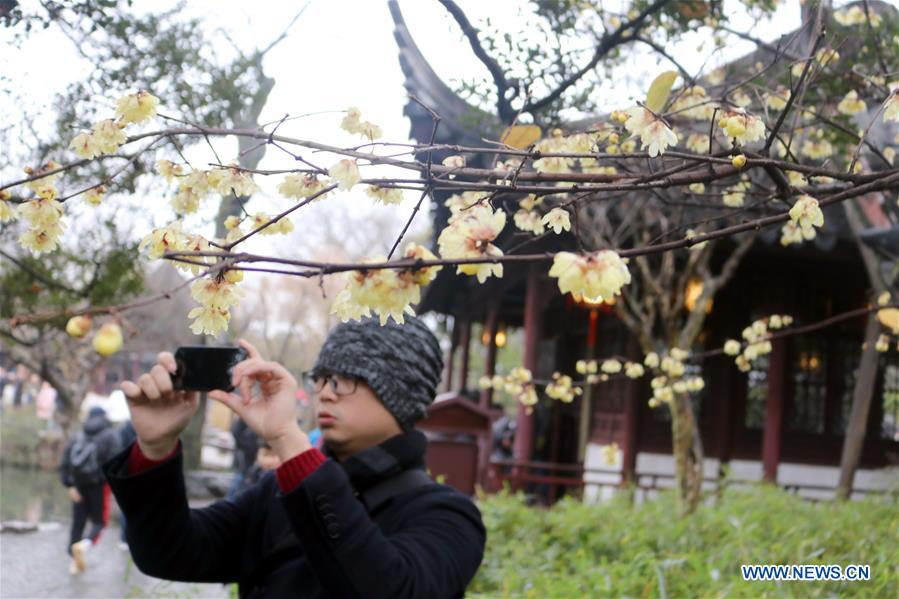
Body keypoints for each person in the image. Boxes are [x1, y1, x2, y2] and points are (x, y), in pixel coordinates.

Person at [107, 316, 485, 598]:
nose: (325, 393)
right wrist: (155, 449)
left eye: (343, 379)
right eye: (320, 378)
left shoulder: (447, 516)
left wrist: (288, 439)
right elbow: (173, 554)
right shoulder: (277, 491)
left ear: (401, 394)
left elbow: (390, 589)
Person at [59, 406, 121, 574]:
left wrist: (69, 485)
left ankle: (74, 562)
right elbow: (115, 464)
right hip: (99, 487)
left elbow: (64, 463)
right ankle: (84, 545)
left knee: (77, 524)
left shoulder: (78, 435)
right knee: (99, 522)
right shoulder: (111, 435)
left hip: (77, 486)